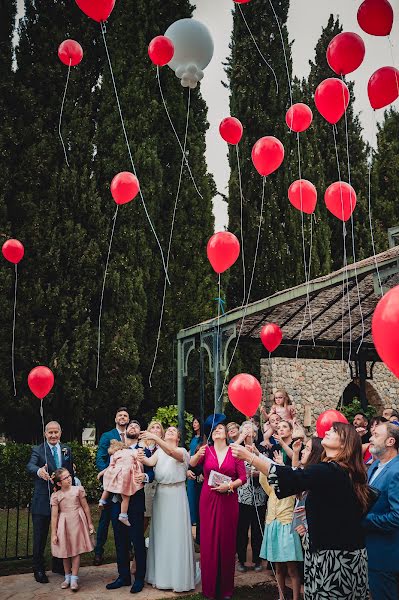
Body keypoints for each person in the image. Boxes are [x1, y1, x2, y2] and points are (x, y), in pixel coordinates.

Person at [232, 422, 371, 600]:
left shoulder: (328, 470)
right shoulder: (346, 471)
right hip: (350, 555)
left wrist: (250, 458)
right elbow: (337, 508)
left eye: (334, 430)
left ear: (345, 443)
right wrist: (313, 512)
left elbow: (290, 477)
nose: (327, 431)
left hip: (333, 560)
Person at [190, 415, 246, 600]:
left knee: (227, 542)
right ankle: (210, 589)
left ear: (226, 433)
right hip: (208, 499)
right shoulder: (206, 451)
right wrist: (197, 455)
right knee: (209, 543)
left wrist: (229, 486)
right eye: (215, 429)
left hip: (228, 500)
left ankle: (226, 589)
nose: (218, 430)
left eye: (221, 428)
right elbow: (191, 465)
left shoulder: (235, 451)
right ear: (211, 435)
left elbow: (243, 477)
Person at [139, 426, 198, 592]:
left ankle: (178, 577)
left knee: (176, 533)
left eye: (174, 431)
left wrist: (155, 438)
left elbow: (173, 454)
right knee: (161, 533)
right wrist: (140, 454)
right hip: (161, 494)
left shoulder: (182, 451)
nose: (170, 431)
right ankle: (161, 576)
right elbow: (149, 462)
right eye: (169, 430)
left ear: (178, 438)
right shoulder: (159, 452)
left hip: (176, 494)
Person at [105, 419, 154, 593]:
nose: (133, 427)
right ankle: (123, 576)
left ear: (140, 432)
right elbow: (109, 470)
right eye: (130, 425)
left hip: (136, 502)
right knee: (120, 540)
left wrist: (146, 478)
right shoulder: (117, 449)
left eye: (136, 426)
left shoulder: (143, 451)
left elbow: (151, 471)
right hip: (117, 501)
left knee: (137, 540)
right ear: (125, 431)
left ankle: (139, 578)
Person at [26, 421, 74, 583]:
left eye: (56, 432)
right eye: (50, 432)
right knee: (40, 537)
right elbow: (30, 466)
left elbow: (70, 473)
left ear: (60, 433)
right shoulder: (38, 450)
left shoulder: (67, 449)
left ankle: (58, 565)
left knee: (61, 534)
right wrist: (39, 471)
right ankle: (38, 569)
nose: (53, 435)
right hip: (43, 501)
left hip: (63, 501)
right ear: (45, 434)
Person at [363, 421, 399, 600]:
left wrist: (362, 520)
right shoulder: (375, 467)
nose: (370, 438)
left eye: (376, 435)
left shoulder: (396, 471)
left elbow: (396, 517)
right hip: (370, 550)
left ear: (390, 442)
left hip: (386, 554)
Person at [259, 463, 303, 600]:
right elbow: (262, 479)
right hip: (273, 526)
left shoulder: (291, 491)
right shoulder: (271, 490)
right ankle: (281, 597)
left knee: (292, 568)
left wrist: (283, 466)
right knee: (278, 567)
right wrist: (258, 457)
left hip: (287, 527)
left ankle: (296, 598)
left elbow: (295, 476)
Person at [94, 406, 130, 565]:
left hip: (128, 485)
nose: (122, 417)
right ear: (116, 419)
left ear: (128, 419)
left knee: (125, 517)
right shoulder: (107, 436)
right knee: (105, 519)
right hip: (111, 483)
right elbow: (100, 458)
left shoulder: (132, 435)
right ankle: (98, 552)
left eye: (125, 415)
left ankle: (127, 549)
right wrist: (107, 476)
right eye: (120, 415)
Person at [51, 468, 94, 591]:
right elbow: (54, 516)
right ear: (59, 483)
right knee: (65, 552)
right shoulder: (56, 496)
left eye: (69, 476)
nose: (69, 478)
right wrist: (54, 533)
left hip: (77, 521)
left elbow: (85, 507)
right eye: (65, 478)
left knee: (76, 550)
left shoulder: (78, 490)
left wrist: (90, 523)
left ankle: (74, 578)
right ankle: (67, 577)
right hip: (64, 523)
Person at [236, 421, 267, 573]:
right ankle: (241, 560)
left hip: (259, 496)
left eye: (251, 429)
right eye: (245, 429)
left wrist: (258, 473)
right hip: (242, 496)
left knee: (257, 529)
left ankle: (257, 560)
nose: (248, 431)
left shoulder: (261, 449)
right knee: (241, 529)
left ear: (255, 433)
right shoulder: (238, 449)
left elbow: (268, 468)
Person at [98, 440, 144, 526]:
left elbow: (110, 466)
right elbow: (138, 457)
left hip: (116, 474)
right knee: (126, 497)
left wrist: (102, 473)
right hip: (126, 475)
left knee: (108, 487)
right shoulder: (130, 451)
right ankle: (123, 515)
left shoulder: (114, 454)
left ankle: (102, 501)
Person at [143, 420, 164, 535]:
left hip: (161, 485)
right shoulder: (142, 446)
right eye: (153, 427)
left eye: (158, 428)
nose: (155, 430)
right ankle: (136, 542)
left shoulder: (165, 447)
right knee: (146, 516)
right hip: (147, 485)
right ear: (149, 431)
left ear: (161, 433)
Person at [187, 416, 203, 525]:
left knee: (198, 495)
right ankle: (192, 519)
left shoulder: (203, 439)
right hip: (191, 467)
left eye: (196, 422)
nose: (194, 424)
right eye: (193, 422)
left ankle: (198, 519)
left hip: (199, 468)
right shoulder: (193, 438)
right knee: (191, 494)